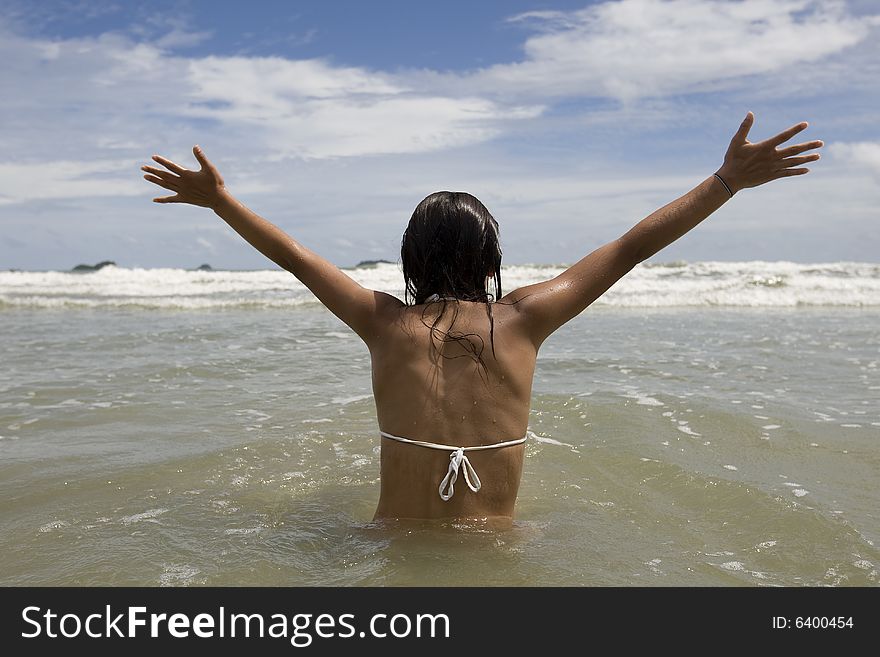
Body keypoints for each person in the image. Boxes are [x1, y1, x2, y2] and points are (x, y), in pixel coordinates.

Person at [142, 112, 822, 522]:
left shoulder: (384, 323)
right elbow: (631, 248)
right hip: (499, 551)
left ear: (410, 260)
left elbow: (295, 257)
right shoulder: (524, 318)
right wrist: (726, 181)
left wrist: (222, 203)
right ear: (491, 255)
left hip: (391, 551)